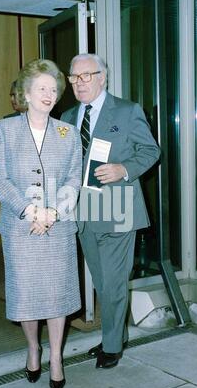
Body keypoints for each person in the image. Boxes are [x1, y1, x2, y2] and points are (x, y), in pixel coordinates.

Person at [61, 53, 161, 369]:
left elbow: (151, 151)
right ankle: (112, 336)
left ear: (103, 77)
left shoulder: (128, 111)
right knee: (103, 281)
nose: (79, 83)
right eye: (74, 77)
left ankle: (113, 345)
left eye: (86, 76)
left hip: (117, 206)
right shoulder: (66, 117)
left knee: (114, 280)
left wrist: (123, 169)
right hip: (84, 209)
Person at [0, 59, 82, 388]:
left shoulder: (67, 132)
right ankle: (33, 348)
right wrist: (31, 211)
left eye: (54, 89)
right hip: (20, 228)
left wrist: (54, 213)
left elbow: (74, 179)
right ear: (25, 93)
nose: (49, 94)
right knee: (26, 295)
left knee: (57, 295)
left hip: (57, 227)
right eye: (42, 88)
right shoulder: (3, 130)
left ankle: (56, 357)